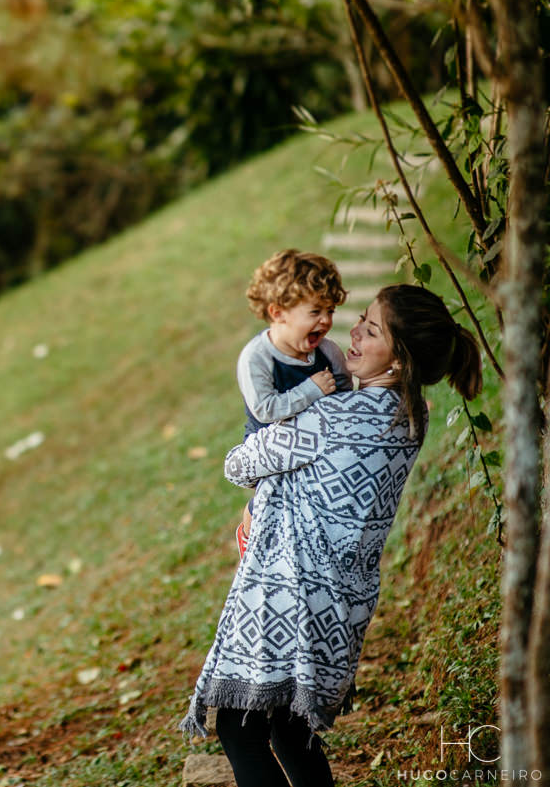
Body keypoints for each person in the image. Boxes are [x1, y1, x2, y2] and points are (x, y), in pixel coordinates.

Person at [181, 285, 482, 787]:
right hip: (342, 605)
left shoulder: (329, 417)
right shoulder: (414, 417)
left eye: (373, 329)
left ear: (401, 358)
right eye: (360, 320)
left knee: (240, 732)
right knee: (292, 737)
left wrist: (277, 408)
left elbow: (239, 464)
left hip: (289, 596)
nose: (354, 334)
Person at [234, 250, 353, 555]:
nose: (325, 321)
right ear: (278, 313)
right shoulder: (256, 359)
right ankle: (251, 530)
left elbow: (343, 393)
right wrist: (311, 390)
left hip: (317, 441)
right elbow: (266, 409)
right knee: (274, 500)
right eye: (315, 312)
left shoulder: (328, 353)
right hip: (271, 448)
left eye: (330, 311)